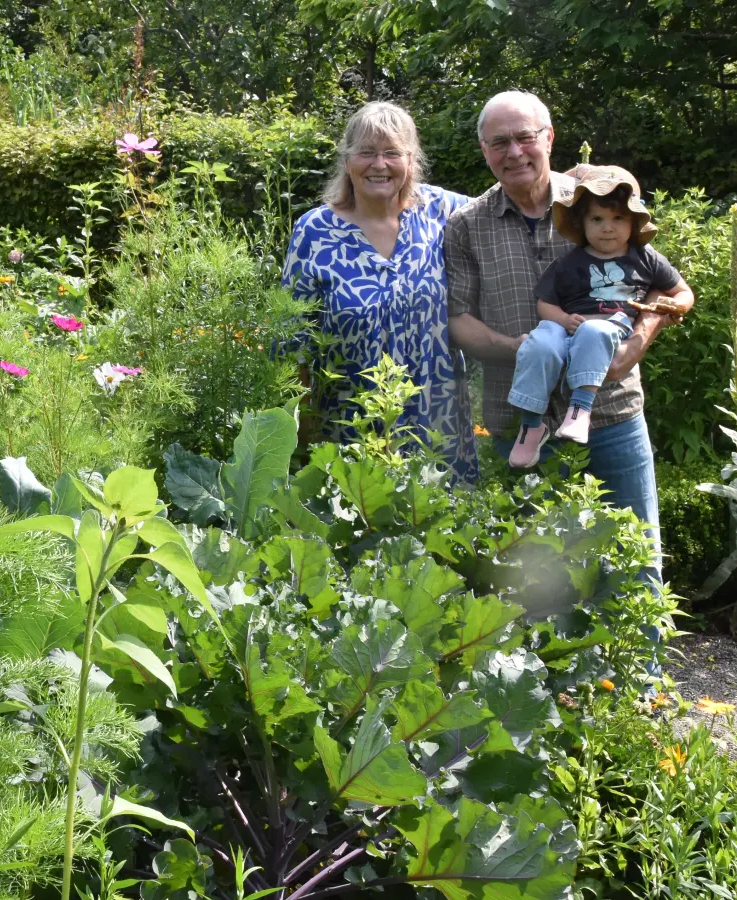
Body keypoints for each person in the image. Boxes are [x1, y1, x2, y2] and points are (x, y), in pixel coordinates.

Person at [445, 91, 680, 585]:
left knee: (636, 562)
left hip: (613, 412)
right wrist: (528, 350)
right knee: (540, 581)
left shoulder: (596, 203)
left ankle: (642, 666)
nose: (514, 153)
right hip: (517, 421)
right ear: (484, 150)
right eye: (499, 142)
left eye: (525, 137)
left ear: (549, 138)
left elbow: (662, 284)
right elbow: (459, 320)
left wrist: (638, 341)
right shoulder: (466, 226)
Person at [282, 101, 477, 481]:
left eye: (392, 152)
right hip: (349, 425)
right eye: (367, 152)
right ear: (347, 159)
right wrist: (300, 435)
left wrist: (579, 186)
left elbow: (512, 206)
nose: (379, 164)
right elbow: (291, 341)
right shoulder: (315, 232)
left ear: (410, 159)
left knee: (441, 530)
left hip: (437, 423)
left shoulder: (442, 212)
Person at [505, 165, 694, 466]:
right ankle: (531, 424)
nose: (608, 227)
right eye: (598, 219)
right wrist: (562, 320)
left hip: (610, 326)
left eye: (618, 218)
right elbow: (545, 302)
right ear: (582, 224)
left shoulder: (644, 258)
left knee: (596, 331)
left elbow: (684, 292)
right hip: (569, 325)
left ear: (633, 221)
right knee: (538, 343)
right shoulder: (569, 262)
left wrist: (671, 307)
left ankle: (580, 408)